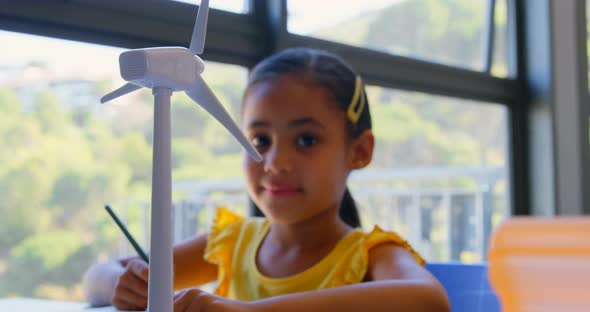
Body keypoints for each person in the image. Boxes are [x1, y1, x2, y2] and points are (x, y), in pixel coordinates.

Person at [83, 47, 450, 312]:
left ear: (360, 151)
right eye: (259, 140)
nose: (275, 163)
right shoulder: (232, 243)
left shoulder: (368, 255)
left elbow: (429, 301)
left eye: (306, 140)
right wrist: (123, 284)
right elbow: (96, 277)